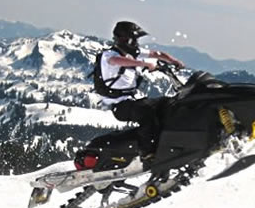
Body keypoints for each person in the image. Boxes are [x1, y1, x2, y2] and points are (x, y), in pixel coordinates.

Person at [76, 21, 184, 170]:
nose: (136, 43)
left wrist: (173, 61)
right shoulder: (110, 55)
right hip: (120, 106)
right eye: (134, 39)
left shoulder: (131, 53)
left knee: (166, 104)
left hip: (131, 101)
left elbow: (156, 54)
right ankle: (148, 154)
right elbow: (118, 61)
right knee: (147, 111)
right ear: (125, 39)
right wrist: (144, 64)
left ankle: (169, 142)